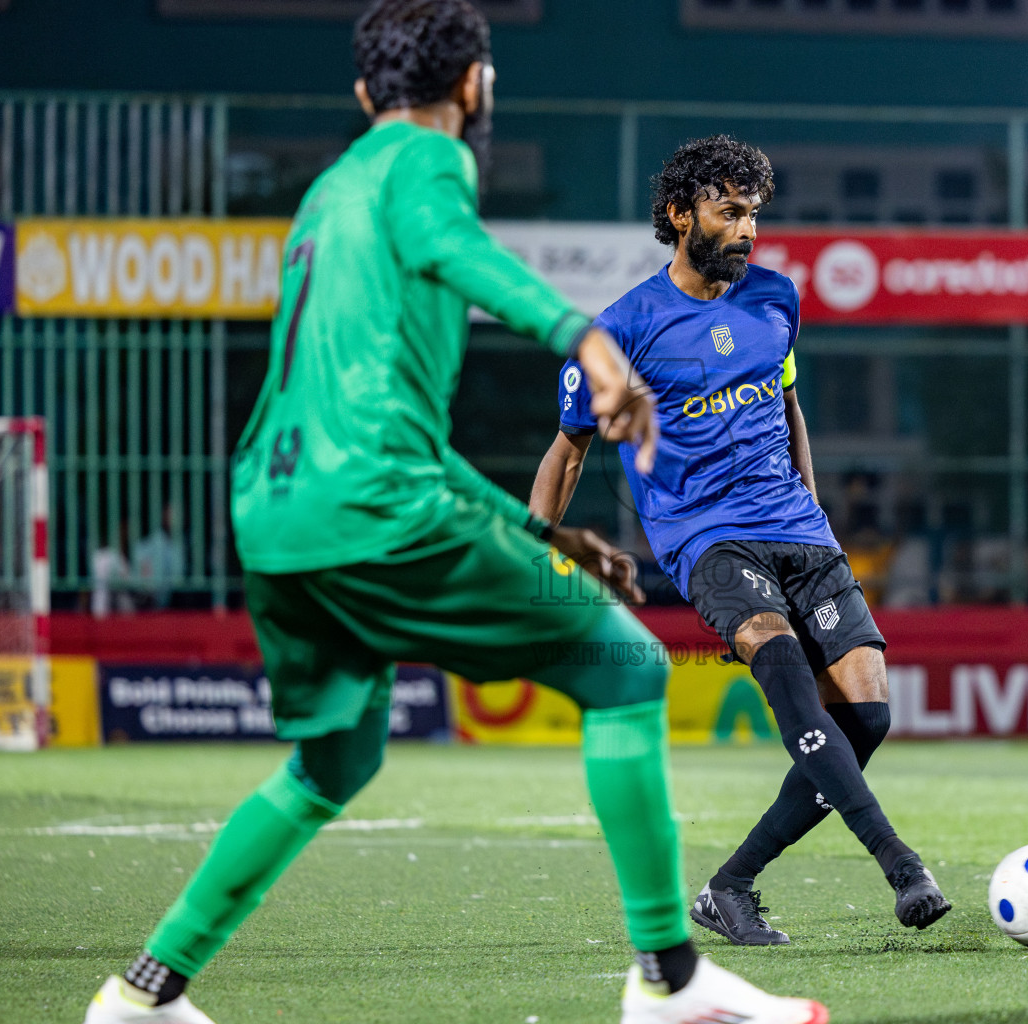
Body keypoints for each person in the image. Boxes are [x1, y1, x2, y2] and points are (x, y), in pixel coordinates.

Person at [83, 6, 823, 1024]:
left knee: (331, 760)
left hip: (277, 512)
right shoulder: (425, 161)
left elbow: (389, 431)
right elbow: (452, 252)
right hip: (380, 509)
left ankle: (143, 995)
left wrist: (540, 534)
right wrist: (584, 338)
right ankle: (670, 982)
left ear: (360, 94)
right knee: (630, 672)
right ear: (473, 85)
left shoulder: (327, 192)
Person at [529, 135, 950, 948]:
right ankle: (901, 865)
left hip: (799, 529)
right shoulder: (619, 331)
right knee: (790, 679)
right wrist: (539, 556)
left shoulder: (777, 299)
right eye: (730, 212)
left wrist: (813, 511)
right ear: (680, 214)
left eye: (754, 213)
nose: (747, 230)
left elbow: (788, 405)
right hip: (708, 539)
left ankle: (730, 887)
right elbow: (568, 450)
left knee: (867, 719)